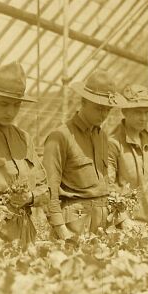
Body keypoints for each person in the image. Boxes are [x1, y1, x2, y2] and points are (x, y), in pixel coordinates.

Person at [43, 69, 126, 239]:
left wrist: (120, 218)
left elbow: (104, 188)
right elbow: (49, 191)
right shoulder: (60, 137)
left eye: (108, 110)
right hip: (74, 223)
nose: (103, 115)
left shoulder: (102, 136)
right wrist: (62, 231)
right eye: (98, 108)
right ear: (83, 102)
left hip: (100, 223)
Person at [0, 61, 49, 246]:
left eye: (16, 105)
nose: (10, 112)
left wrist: (29, 198)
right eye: (4, 104)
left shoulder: (24, 139)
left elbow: (45, 189)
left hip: (24, 234)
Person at [108, 84, 148, 224]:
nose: (144, 118)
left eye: (147, 112)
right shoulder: (113, 143)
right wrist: (123, 220)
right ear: (125, 111)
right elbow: (107, 188)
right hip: (125, 225)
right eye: (138, 112)